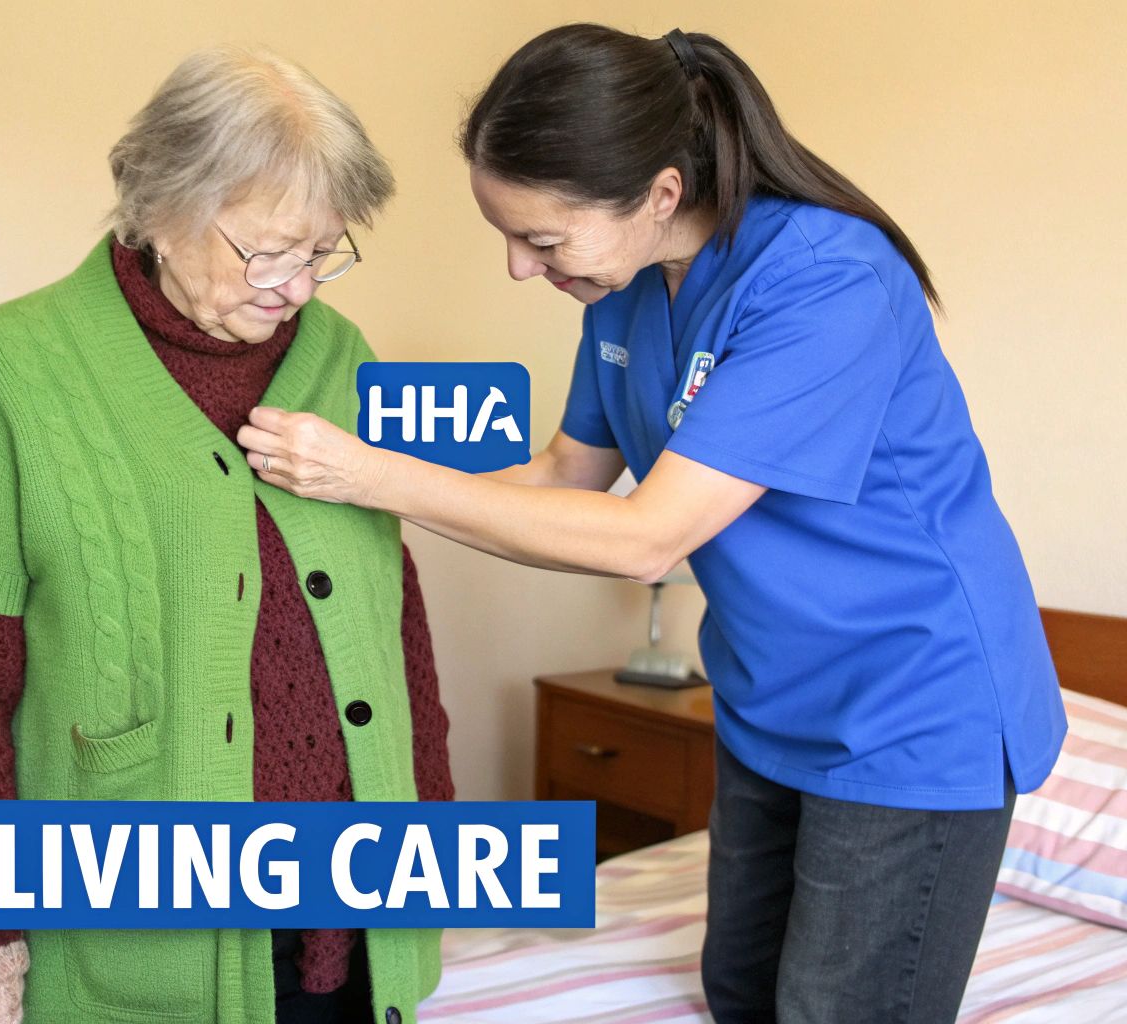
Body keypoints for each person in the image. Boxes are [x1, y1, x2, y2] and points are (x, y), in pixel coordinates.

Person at [238, 24, 1066, 1024]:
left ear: (661, 193)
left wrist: (372, 476)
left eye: (541, 240)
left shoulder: (827, 281)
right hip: (769, 702)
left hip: (911, 706)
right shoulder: (622, 301)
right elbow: (560, 476)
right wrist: (338, 489)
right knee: (738, 993)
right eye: (507, 234)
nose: (516, 267)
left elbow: (644, 536)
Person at [0, 45, 452, 1024]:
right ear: (154, 208)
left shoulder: (341, 355)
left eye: (321, 249)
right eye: (267, 250)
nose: (297, 287)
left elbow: (388, 613)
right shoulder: (16, 367)